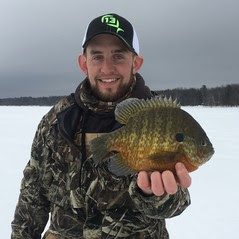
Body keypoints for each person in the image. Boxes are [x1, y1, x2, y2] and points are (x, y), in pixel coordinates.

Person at [11, 13, 191, 239]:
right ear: (83, 62)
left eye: (118, 56)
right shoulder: (57, 121)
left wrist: (154, 195)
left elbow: (178, 203)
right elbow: (33, 195)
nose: (107, 68)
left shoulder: (162, 117)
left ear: (136, 63)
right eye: (97, 57)